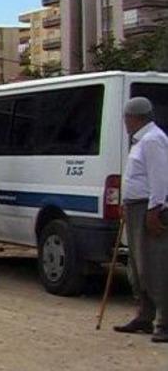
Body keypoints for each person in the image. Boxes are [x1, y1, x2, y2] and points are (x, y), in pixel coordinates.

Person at [114, 97, 168, 343]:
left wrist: (155, 209)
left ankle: (164, 322)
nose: (125, 122)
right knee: (138, 266)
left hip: (149, 208)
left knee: (155, 265)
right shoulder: (141, 141)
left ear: (135, 117)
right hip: (136, 207)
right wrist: (126, 204)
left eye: (126, 118)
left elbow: (160, 177)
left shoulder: (154, 140)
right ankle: (144, 315)